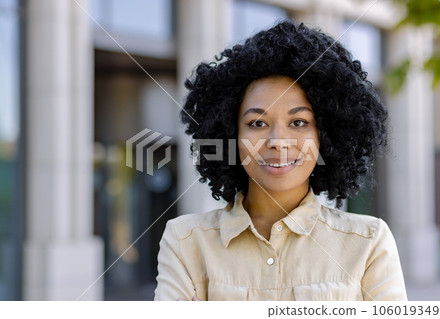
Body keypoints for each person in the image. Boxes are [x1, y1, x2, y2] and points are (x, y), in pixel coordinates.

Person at [153, 20, 407, 301]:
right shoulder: (186, 241)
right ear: (231, 133)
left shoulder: (368, 243)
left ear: (325, 135)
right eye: (257, 123)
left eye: (298, 122)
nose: (277, 140)